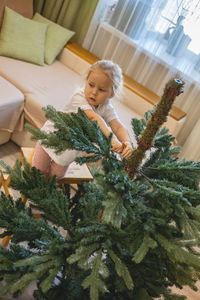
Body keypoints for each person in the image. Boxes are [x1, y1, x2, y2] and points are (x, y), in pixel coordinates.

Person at [32, 59, 133, 178]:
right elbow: (92, 117)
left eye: (101, 90)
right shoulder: (78, 96)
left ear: (111, 94)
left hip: (70, 148)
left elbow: (117, 125)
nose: (94, 92)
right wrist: (112, 140)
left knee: (57, 176)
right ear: (86, 82)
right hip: (51, 137)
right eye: (91, 85)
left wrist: (126, 142)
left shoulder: (106, 107)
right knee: (38, 170)